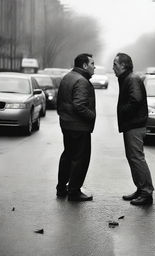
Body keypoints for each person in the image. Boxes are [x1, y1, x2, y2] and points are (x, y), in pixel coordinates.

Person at [113, 53, 154, 206]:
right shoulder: (127, 79)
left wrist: (123, 111)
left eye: (115, 64)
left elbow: (136, 100)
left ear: (123, 65)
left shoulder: (132, 79)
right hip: (132, 125)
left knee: (136, 158)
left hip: (135, 125)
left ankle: (146, 192)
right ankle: (140, 188)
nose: (113, 67)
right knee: (133, 158)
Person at [56, 53, 96, 202]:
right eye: (92, 64)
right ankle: (74, 191)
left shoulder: (68, 77)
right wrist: (92, 116)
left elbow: (60, 102)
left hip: (67, 124)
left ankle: (61, 188)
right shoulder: (82, 81)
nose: (94, 67)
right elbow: (79, 105)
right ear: (84, 65)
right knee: (80, 159)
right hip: (79, 127)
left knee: (68, 156)